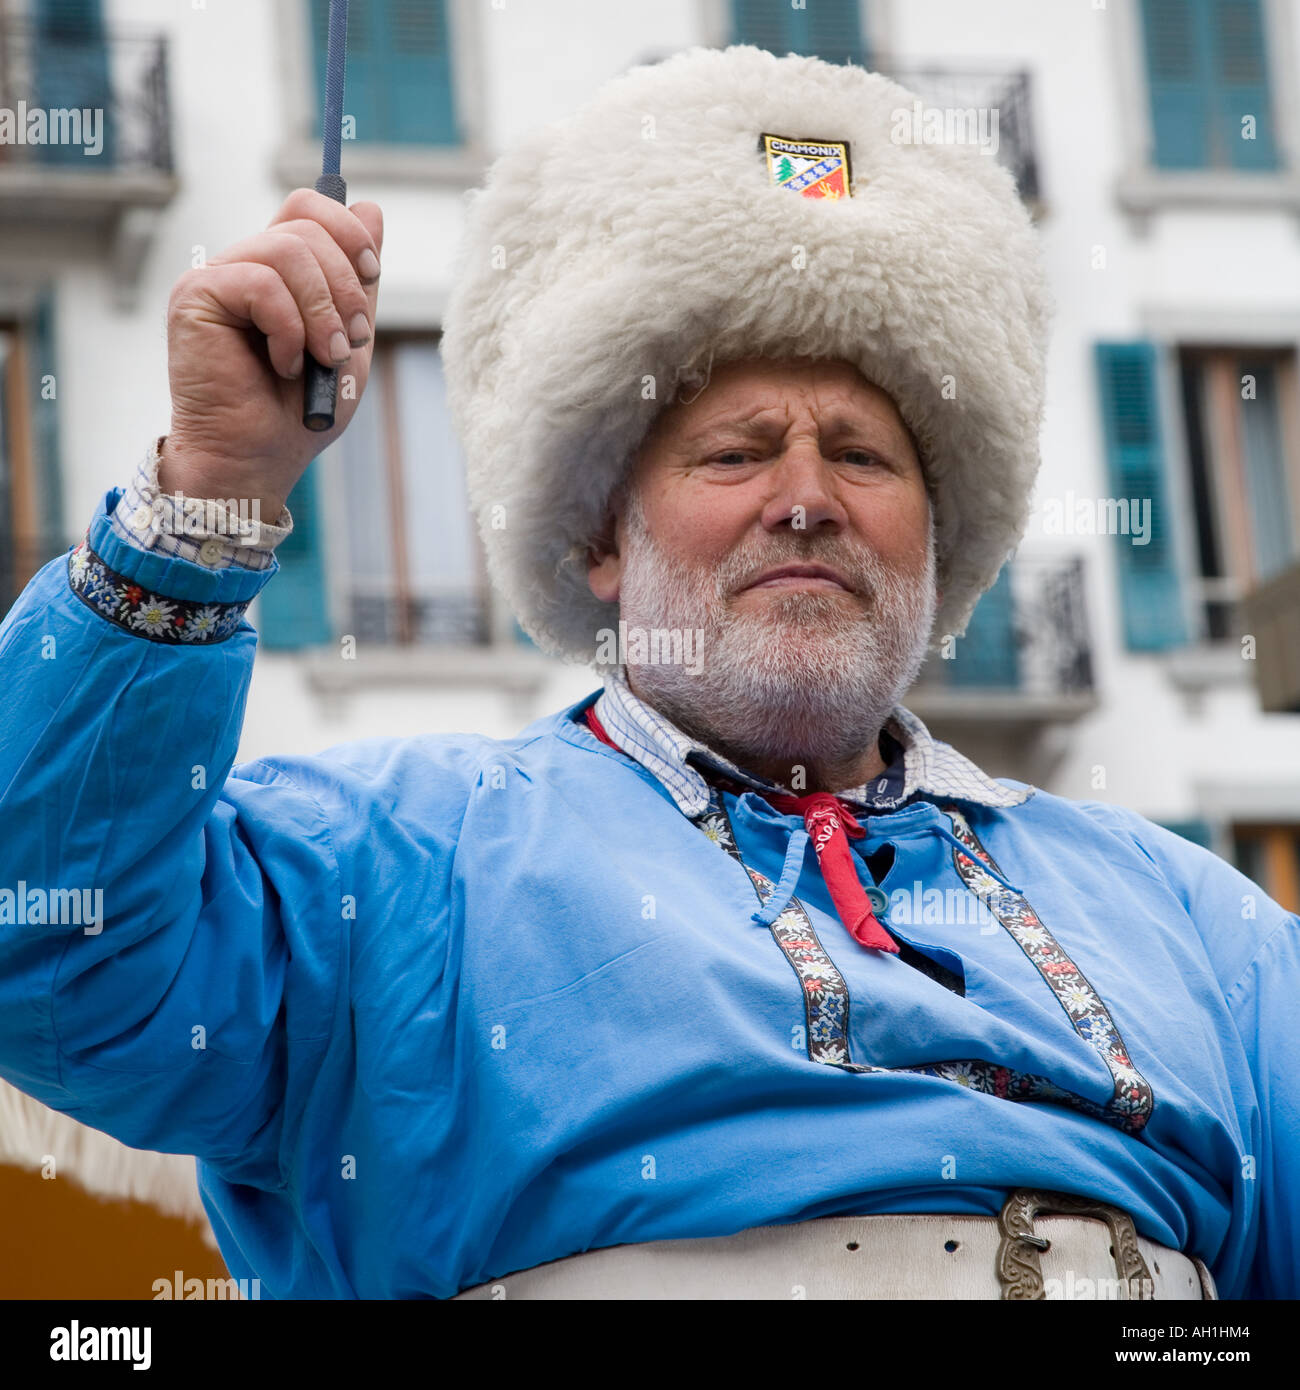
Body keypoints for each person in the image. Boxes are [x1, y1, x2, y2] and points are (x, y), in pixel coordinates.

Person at [0, 44, 1295, 1301]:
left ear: (938, 534)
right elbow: (51, 949)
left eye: (863, 456)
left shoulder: (1200, 925)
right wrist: (213, 496)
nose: (806, 501)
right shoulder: (391, 866)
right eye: (734, 454)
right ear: (602, 540)